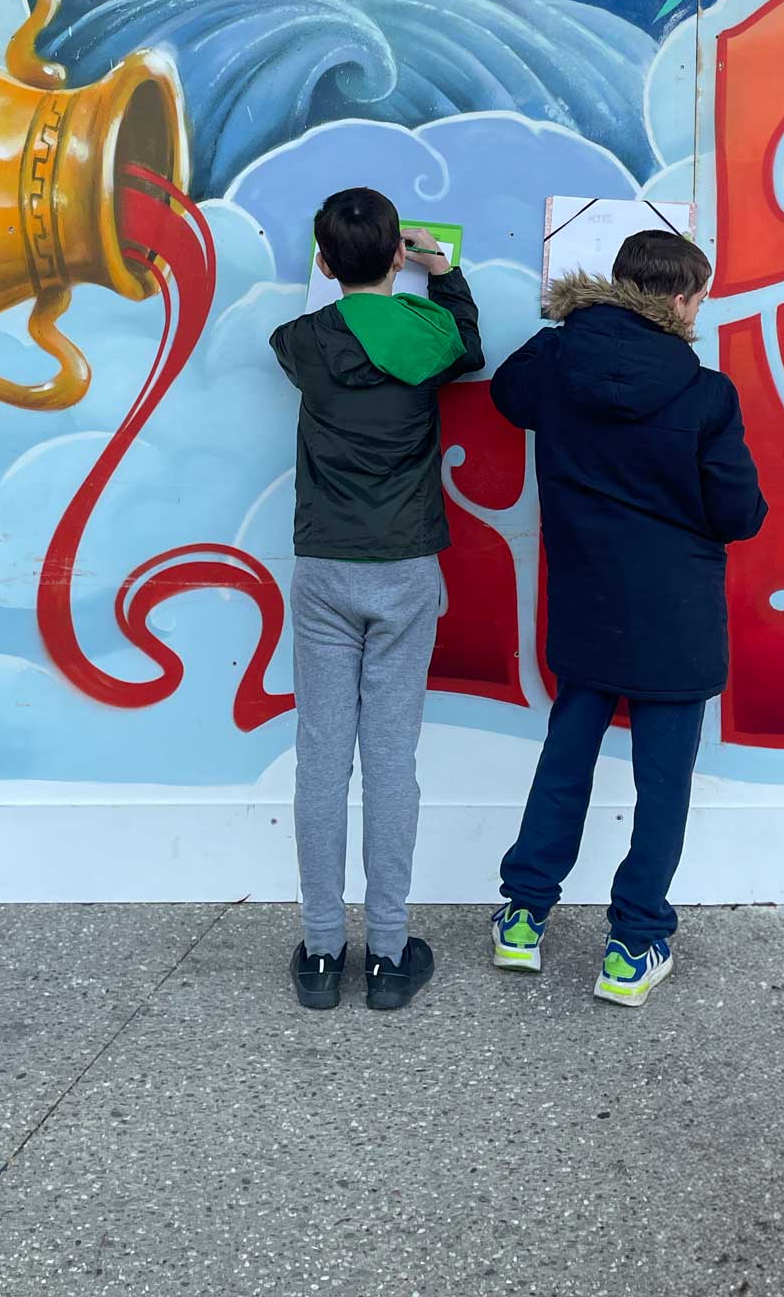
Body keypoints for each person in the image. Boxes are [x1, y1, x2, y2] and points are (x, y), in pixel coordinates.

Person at [487, 230, 767, 1008]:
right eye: (700, 297)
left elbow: (506, 394)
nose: (700, 310)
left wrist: (566, 324)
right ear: (678, 300)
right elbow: (738, 514)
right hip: (675, 615)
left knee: (565, 759)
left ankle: (522, 916)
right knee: (662, 784)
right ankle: (633, 944)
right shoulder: (706, 394)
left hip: (586, 602)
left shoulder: (556, 363)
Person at [269, 187, 482, 1012]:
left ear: (323, 264)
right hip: (403, 570)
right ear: (400, 254)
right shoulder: (430, 333)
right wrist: (444, 272)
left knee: (321, 759)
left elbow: (295, 338)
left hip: (324, 566)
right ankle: (389, 954)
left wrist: (350, 286)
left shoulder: (300, 340)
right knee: (391, 760)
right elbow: (467, 344)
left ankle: (323, 952)